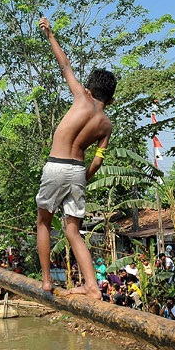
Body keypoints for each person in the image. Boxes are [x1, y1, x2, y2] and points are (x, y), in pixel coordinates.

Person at [35, 16, 115, 301]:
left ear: (91, 90)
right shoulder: (106, 124)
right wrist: (83, 178)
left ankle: (46, 281)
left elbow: (65, 64)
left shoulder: (81, 97)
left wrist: (50, 34)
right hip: (79, 170)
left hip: (56, 166)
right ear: (112, 100)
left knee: (44, 222)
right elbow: (99, 160)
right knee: (73, 231)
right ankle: (92, 287)